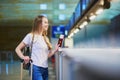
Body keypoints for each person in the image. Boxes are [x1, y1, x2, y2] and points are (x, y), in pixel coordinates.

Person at [15, 15, 59, 80]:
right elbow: (17, 49)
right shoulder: (30, 36)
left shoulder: (46, 38)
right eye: (45, 22)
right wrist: (23, 57)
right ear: (39, 24)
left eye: (47, 22)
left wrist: (55, 50)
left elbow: (46, 56)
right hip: (35, 68)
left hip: (45, 68)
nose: (48, 24)